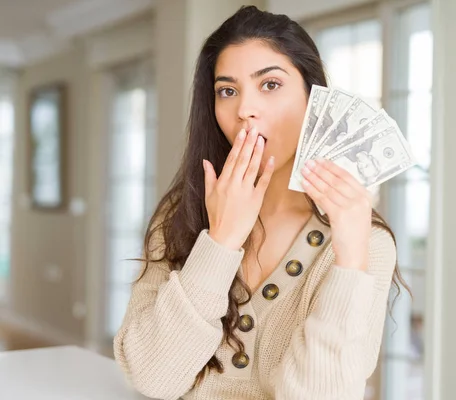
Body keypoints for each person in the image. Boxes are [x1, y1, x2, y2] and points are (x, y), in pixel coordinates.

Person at [113, 5, 411, 400]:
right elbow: (151, 378)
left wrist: (351, 258)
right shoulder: (179, 215)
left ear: (313, 97)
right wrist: (219, 243)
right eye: (227, 90)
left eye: (270, 84)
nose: (244, 110)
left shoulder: (365, 242)